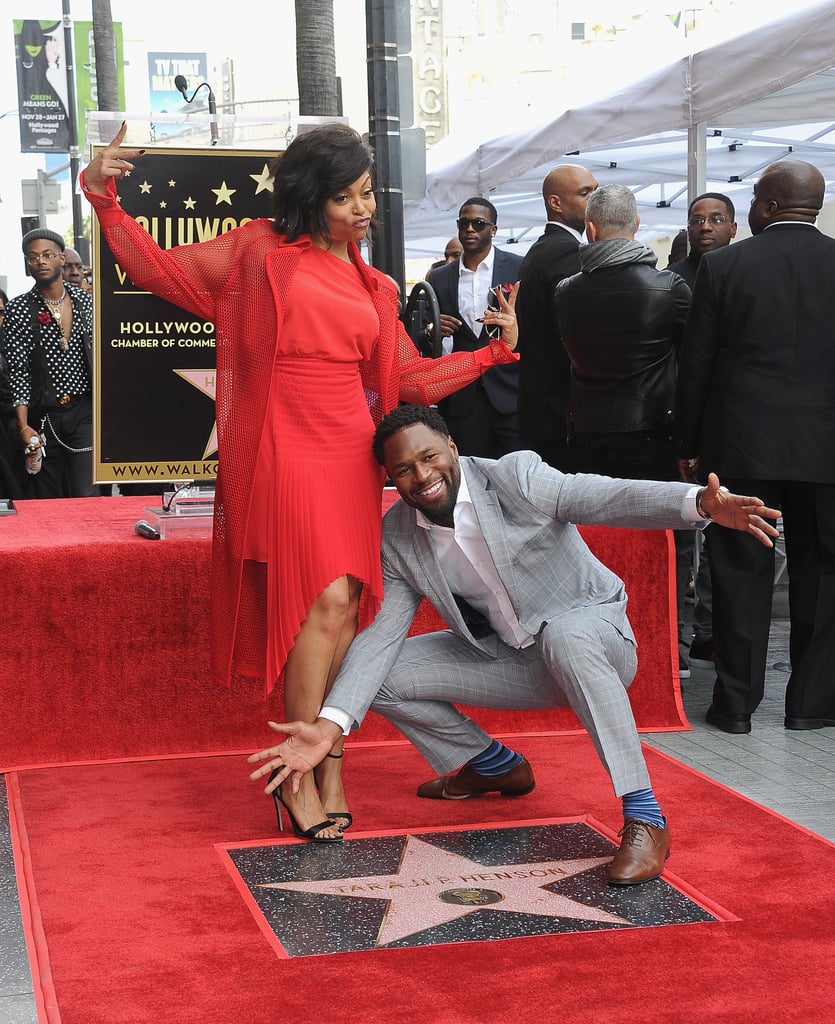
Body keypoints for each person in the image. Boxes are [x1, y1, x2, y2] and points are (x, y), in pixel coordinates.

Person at [81, 121, 521, 842]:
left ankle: (329, 762)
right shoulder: (258, 251)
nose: (362, 208)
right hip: (283, 443)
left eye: (367, 193)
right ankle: (297, 773)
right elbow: (159, 271)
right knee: (318, 606)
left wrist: (489, 357)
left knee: (347, 609)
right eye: (345, 196)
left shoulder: (373, 283)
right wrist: (104, 201)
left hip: (350, 448)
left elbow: (406, 378)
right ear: (311, 197)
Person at [249, 404, 780, 884]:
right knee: (376, 680)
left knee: (567, 635)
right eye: (404, 470)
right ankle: (493, 764)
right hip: (515, 659)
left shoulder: (515, 477)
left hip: (595, 638)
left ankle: (644, 816)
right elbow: (382, 637)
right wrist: (329, 725)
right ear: (391, 478)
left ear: (453, 448)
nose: (422, 476)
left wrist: (698, 505)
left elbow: (603, 495)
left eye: (430, 457)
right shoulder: (398, 534)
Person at [677, 158, 835, 734]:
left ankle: (736, 706)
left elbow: (696, 365)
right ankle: (813, 704)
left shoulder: (723, 267)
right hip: (827, 448)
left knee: (742, 572)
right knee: (824, 574)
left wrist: (689, 443)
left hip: (744, 444)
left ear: (767, 207)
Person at [553, 184, 693, 677]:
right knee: (662, 546)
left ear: (590, 229)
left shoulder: (566, 292)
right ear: (636, 226)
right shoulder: (670, 288)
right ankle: (665, 651)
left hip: (587, 433)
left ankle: (600, 648)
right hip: (652, 433)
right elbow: (692, 364)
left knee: (595, 547)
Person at [670, 193, 738, 670]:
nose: (706, 226)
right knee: (679, 531)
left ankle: (711, 631)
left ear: (734, 226)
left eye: (716, 219)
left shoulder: (744, 274)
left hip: (733, 424)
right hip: (678, 421)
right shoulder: (671, 282)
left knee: (723, 535)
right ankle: (675, 636)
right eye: (698, 220)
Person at [515, 164, 597, 471]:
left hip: (542, 409)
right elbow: (576, 337)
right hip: (560, 412)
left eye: (596, 190)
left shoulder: (543, 248)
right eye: (586, 192)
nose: (595, 199)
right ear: (556, 203)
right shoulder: (567, 253)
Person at [3, 229, 97, 498]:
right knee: (49, 500)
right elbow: (18, 371)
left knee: (86, 494)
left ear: (61, 258)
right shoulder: (19, 309)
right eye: (32, 257)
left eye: (47, 255)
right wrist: (23, 426)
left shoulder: (85, 301)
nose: (40, 262)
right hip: (44, 417)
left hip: (84, 414)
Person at [427, 198, 524, 457]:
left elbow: (533, 327)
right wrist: (432, 329)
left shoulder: (518, 267)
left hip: (509, 391)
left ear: (493, 229)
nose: (470, 229)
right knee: (471, 474)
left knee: (515, 474)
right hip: (461, 394)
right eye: (464, 223)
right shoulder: (440, 277)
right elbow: (427, 337)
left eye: (479, 224)